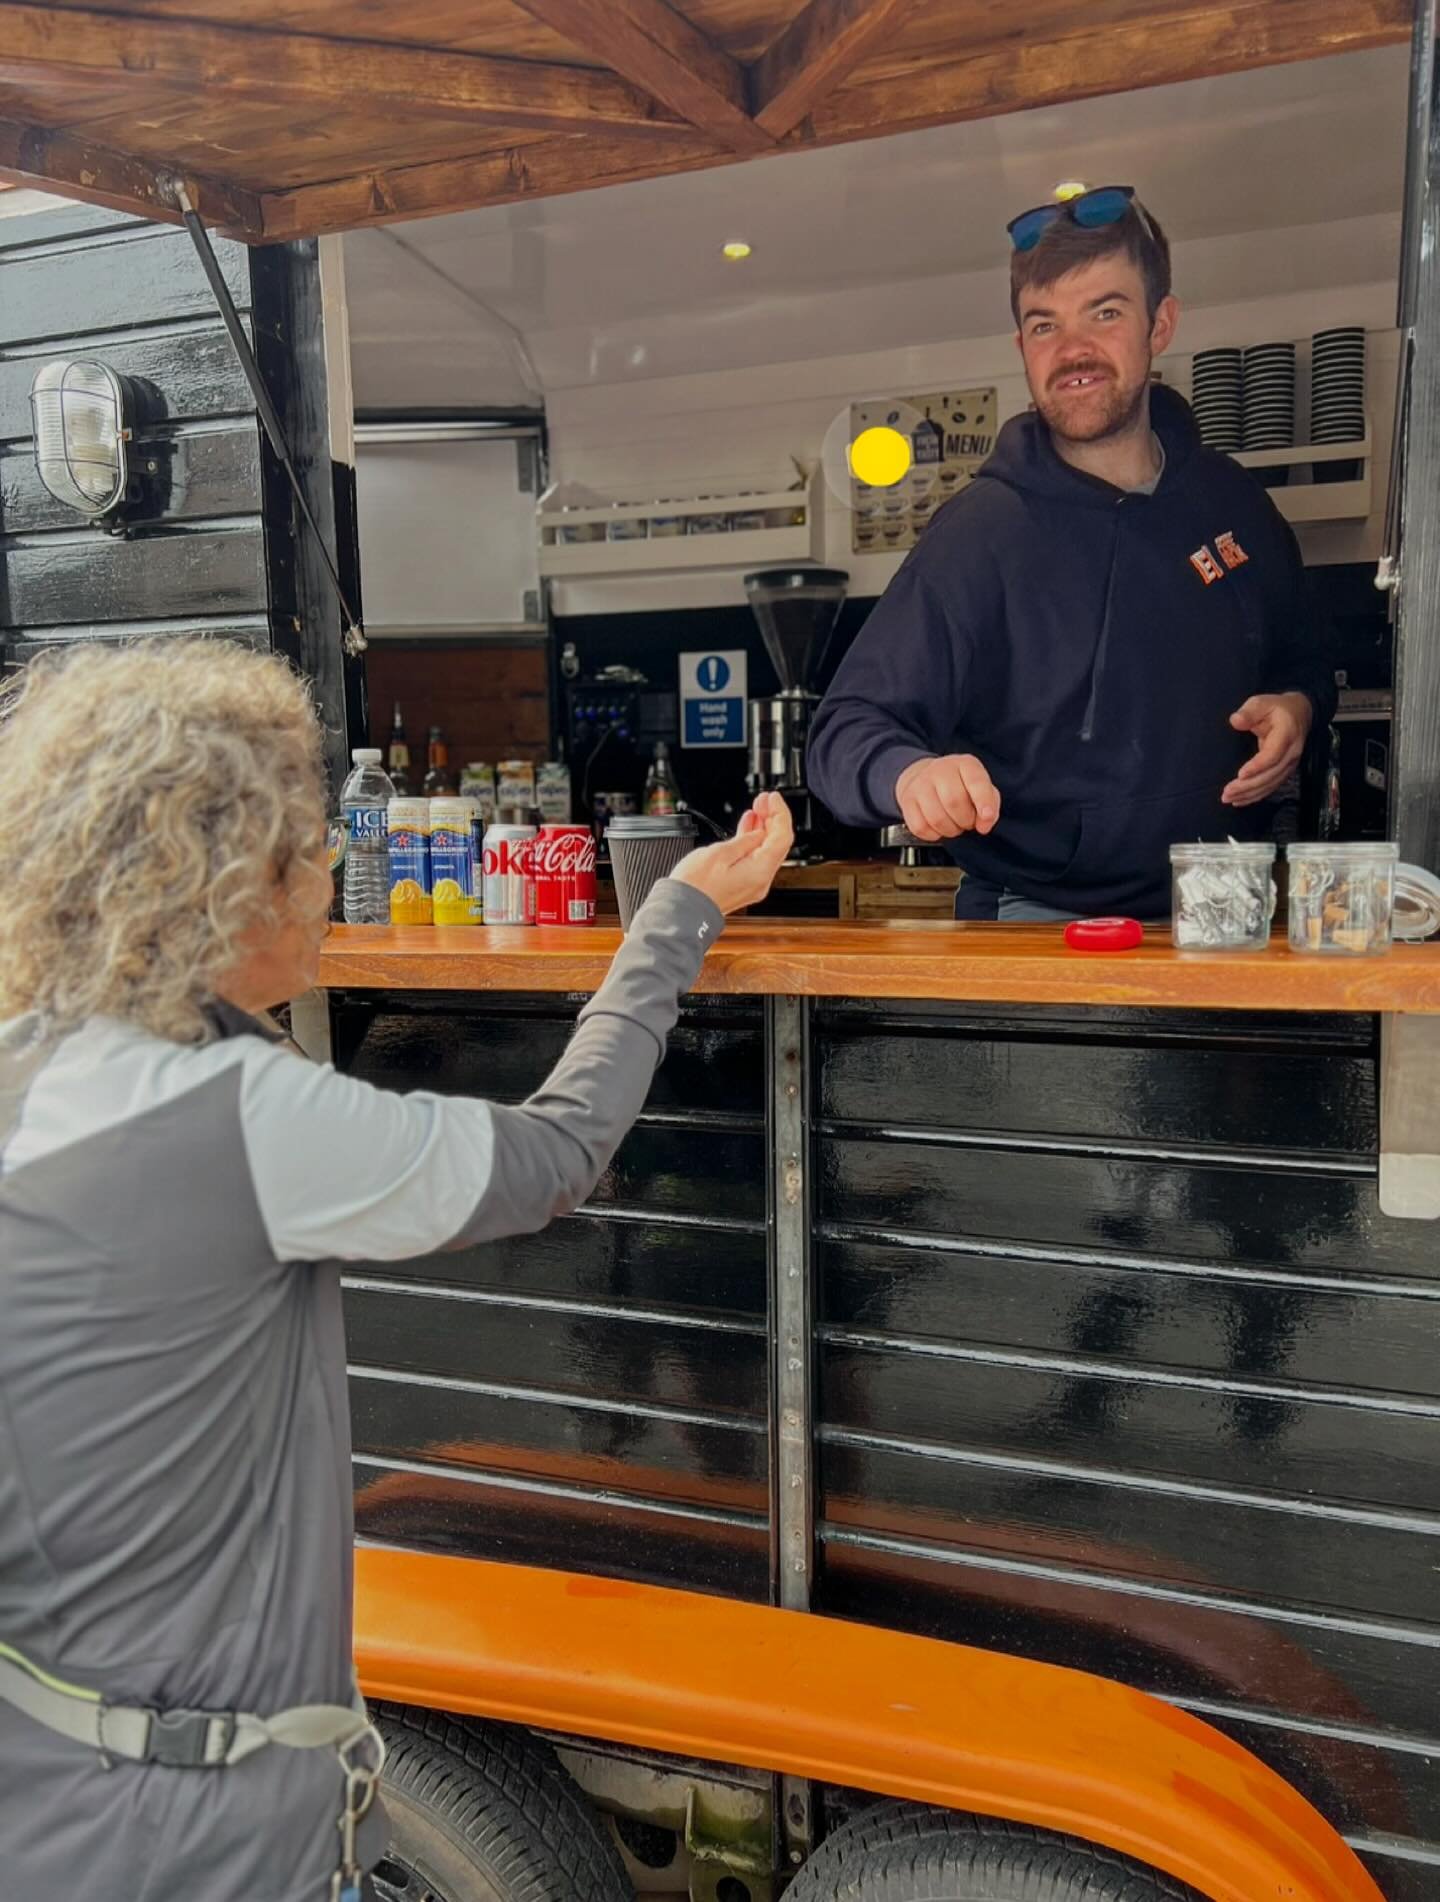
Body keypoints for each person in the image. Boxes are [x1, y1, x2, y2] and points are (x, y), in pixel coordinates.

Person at [0, 638, 792, 1902]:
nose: (331, 874)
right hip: (195, 1834)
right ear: (217, 883)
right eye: (306, 847)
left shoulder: (29, 1062)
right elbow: (557, 1153)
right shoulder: (240, 1118)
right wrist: (673, 917)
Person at [808, 185, 1336, 922]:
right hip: (1041, 916)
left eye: (1105, 313)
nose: (1072, 351)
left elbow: (1308, 660)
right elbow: (844, 729)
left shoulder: (1232, 503)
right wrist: (909, 774)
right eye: (1044, 324)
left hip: (1226, 905)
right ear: (1021, 347)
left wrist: (1298, 707)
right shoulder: (980, 533)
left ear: (1161, 323)